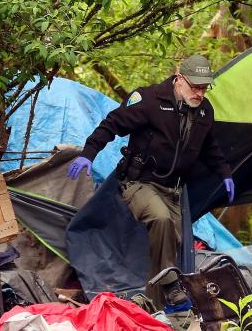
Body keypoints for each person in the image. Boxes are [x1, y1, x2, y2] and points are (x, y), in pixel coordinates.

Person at [66, 54, 234, 305]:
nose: (199, 93)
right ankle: (169, 283)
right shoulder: (150, 100)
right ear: (179, 79)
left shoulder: (203, 111)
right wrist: (89, 154)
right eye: (195, 86)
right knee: (161, 219)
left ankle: (154, 310)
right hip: (138, 182)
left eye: (204, 87)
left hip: (172, 189)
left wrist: (226, 175)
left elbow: (210, 148)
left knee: (168, 246)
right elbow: (112, 123)